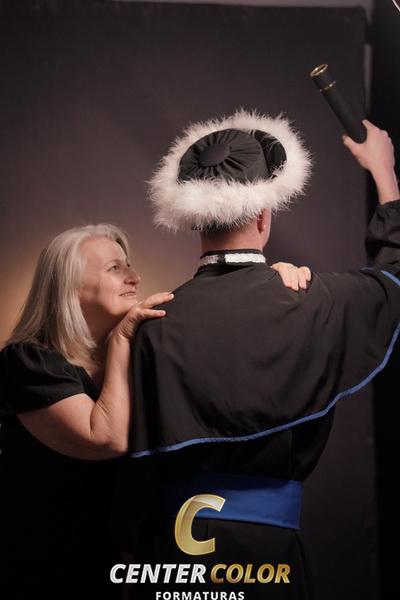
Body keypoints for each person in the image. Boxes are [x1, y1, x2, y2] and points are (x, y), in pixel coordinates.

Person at [117, 112, 400, 599]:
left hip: (168, 560)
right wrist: (383, 170)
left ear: (196, 221)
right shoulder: (311, 301)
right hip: (269, 562)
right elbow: (393, 278)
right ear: (264, 217)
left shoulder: (148, 323)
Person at [0, 221, 305, 599]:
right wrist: (123, 339)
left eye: (129, 265)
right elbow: (106, 438)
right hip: (39, 567)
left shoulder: (135, 356)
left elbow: (220, 321)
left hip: (114, 565)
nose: (134, 277)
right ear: (69, 287)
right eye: (115, 268)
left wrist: (269, 282)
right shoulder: (27, 362)